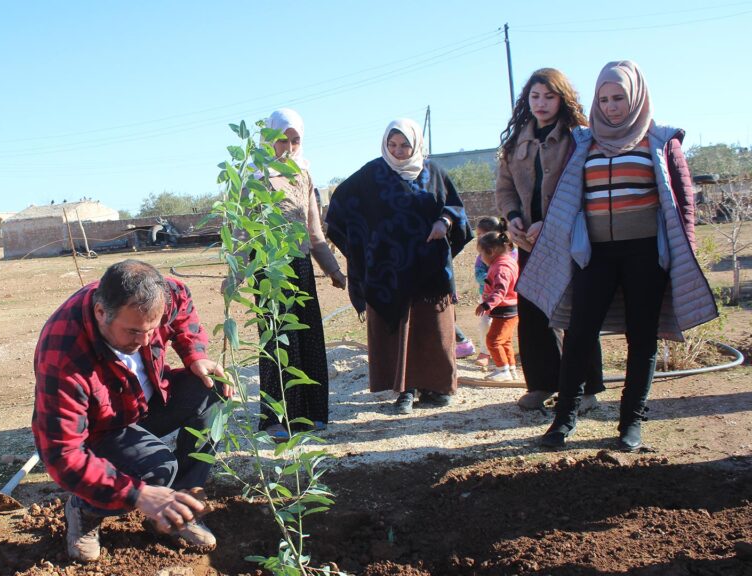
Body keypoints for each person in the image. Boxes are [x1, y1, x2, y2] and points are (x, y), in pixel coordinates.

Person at [517, 61, 717, 451]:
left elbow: (684, 202)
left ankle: (631, 422)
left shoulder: (661, 141)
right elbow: (561, 188)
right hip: (594, 256)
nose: (611, 107)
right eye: (604, 99)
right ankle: (563, 420)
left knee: (642, 338)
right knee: (579, 334)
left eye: (619, 98)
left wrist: (685, 253)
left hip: (645, 254)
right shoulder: (583, 142)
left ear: (637, 96)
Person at [33, 260, 228, 562]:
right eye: (133, 331)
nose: (145, 341)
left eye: (152, 329)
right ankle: (84, 510)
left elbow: (183, 305)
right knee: (157, 469)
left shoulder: (162, 294)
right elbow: (63, 455)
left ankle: (179, 509)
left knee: (212, 386)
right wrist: (138, 494)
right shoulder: (63, 351)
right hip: (102, 428)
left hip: (144, 401)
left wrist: (194, 354)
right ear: (101, 313)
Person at [326, 119, 472, 414]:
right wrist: (364, 245)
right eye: (392, 145)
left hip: (429, 267)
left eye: (404, 144)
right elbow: (340, 208)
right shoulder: (371, 174)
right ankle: (404, 390)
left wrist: (444, 222)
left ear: (416, 144)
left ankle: (436, 386)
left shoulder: (435, 173)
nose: (398, 151)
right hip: (387, 269)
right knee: (398, 328)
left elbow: (456, 208)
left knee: (431, 326)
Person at [494, 67, 606, 412]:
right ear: (526, 100)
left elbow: (586, 185)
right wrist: (513, 220)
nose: (541, 103)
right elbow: (505, 188)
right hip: (528, 242)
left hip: (572, 239)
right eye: (535, 96)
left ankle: (586, 389)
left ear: (562, 98)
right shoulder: (515, 143)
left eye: (549, 96)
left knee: (577, 312)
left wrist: (551, 222)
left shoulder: (581, 137)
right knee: (533, 311)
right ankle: (543, 383)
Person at [250, 109, 346, 439]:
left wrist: (333, 270)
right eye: (282, 139)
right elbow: (238, 230)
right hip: (267, 268)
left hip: (300, 267)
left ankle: (309, 414)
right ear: (269, 138)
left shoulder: (304, 175)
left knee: (307, 338)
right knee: (276, 341)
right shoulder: (254, 175)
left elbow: (314, 232)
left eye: (295, 140)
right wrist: (233, 274)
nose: (288, 147)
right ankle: (275, 419)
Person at [474, 227, 519, 381]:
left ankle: (502, 370)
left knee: (493, 340)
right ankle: (510, 368)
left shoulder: (501, 268)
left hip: (504, 310)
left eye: (481, 253)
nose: (481, 257)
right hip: (510, 309)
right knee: (505, 340)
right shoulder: (508, 262)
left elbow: (500, 290)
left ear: (491, 251)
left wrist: (487, 305)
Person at [471, 216, 510, 368]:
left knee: (504, 326)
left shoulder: (510, 254)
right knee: (485, 323)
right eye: (478, 234)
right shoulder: (481, 256)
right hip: (487, 297)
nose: (479, 237)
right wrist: (493, 279)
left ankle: (504, 359)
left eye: (482, 234)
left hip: (507, 299)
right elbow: (478, 275)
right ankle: (484, 352)